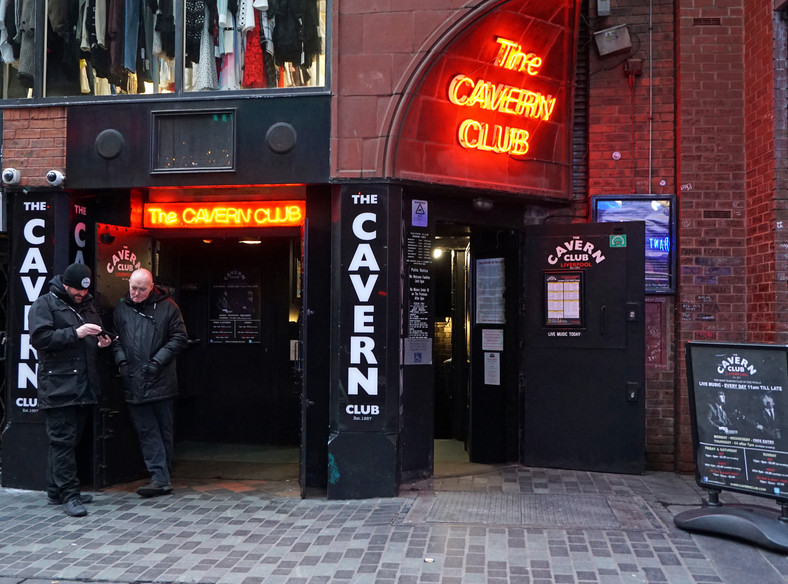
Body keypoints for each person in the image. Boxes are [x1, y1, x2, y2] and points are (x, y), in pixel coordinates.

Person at [29, 263, 113, 517]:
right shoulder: (45, 303)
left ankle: (56, 489)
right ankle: (69, 494)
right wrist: (75, 333)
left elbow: (87, 342)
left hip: (83, 384)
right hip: (58, 385)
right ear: (65, 283)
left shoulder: (87, 305)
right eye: (77, 289)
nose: (81, 294)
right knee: (63, 441)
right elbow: (40, 339)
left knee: (67, 441)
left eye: (84, 290)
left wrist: (102, 342)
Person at [112, 268, 188, 498]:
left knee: (162, 429)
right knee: (148, 430)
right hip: (134, 378)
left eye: (141, 289)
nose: (135, 293)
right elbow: (115, 339)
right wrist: (122, 362)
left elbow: (179, 338)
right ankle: (160, 476)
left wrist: (157, 362)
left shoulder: (168, 307)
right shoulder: (121, 309)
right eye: (133, 288)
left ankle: (162, 476)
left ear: (151, 286)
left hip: (160, 378)